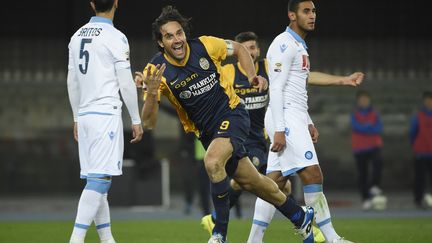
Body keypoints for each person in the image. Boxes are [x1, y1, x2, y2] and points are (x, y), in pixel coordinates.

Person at [135, 5, 315, 243]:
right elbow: (148, 123)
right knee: (253, 182)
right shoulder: (156, 71)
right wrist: (150, 92)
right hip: (208, 133)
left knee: (212, 161)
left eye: (179, 33)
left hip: (233, 112)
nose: (177, 40)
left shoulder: (205, 45)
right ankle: (300, 216)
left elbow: (239, 48)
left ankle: (219, 233)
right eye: (169, 36)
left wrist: (252, 76)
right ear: (160, 43)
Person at [248, 1, 365, 243]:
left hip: (294, 115)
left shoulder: (299, 45)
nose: (312, 16)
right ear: (292, 15)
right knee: (313, 174)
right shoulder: (283, 43)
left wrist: (308, 119)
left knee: (274, 183)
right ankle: (331, 237)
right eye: (306, 11)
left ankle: (254, 239)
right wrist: (280, 129)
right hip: (285, 116)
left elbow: (298, 86)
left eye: (314, 11)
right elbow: (278, 89)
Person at [201, 31, 324, 242]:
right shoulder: (229, 72)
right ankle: (306, 224)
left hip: (261, 137)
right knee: (254, 178)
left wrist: (339, 81)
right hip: (238, 135)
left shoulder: (268, 67)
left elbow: (302, 77)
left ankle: (299, 221)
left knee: (281, 186)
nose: (253, 51)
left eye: (255, 47)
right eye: (247, 48)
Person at [67, 0, 143, 242]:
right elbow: (125, 83)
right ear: (116, 3)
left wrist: (76, 117)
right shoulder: (116, 37)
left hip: (86, 116)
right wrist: (136, 118)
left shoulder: (76, 36)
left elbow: (72, 81)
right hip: (105, 115)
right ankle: (75, 239)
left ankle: (108, 239)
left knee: (97, 179)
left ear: (91, 4)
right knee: (100, 182)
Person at [351, 90, 385, 210]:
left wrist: (364, 127)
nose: (364, 102)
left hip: (374, 145)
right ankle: (365, 199)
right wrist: (368, 126)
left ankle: (374, 185)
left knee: (378, 163)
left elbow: (379, 128)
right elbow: (356, 126)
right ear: (358, 101)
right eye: (361, 100)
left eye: (365, 99)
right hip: (360, 148)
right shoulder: (355, 114)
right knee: (363, 174)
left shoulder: (375, 113)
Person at [410, 91, 432, 209]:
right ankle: (418, 200)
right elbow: (412, 133)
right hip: (421, 152)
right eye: (427, 100)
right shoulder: (418, 116)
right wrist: (415, 146)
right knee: (420, 178)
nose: (428, 102)